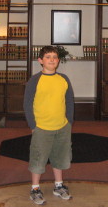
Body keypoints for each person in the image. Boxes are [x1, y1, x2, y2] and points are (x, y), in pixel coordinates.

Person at [24, 45, 75, 205]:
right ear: (40, 61)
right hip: (42, 127)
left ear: (58, 61)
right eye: (48, 57)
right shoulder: (35, 80)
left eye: (54, 57)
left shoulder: (64, 79)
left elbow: (69, 101)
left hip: (62, 126)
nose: (52, 60)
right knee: (38, 158)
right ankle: (35, 188)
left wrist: (69, 121)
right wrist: (33, 125)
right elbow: (27, 103)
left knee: (59, 157)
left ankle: (58, 186)